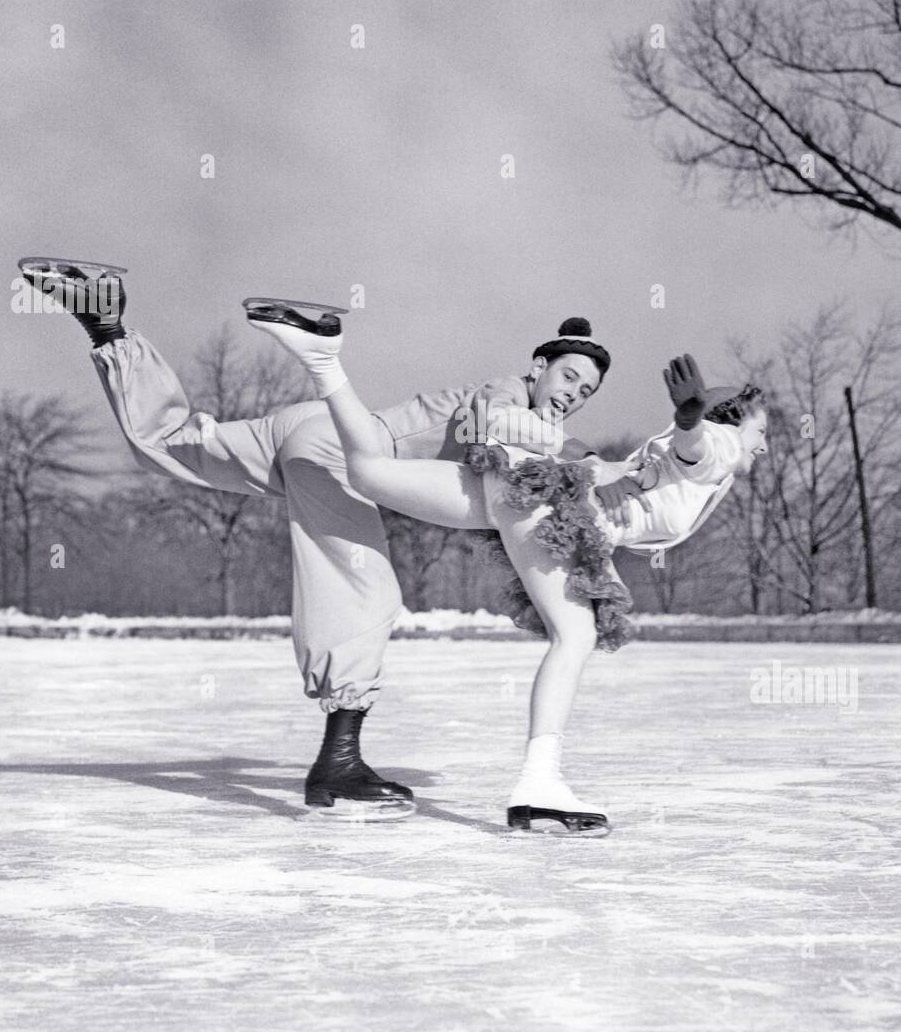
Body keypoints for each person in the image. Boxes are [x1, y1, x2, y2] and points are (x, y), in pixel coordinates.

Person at [16, 258, 611, 819]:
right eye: (568, 376)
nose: (572, 394)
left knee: (177, 443)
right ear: (538, 366)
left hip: (305, 429)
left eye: (586, 393)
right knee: (364, 592)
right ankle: (339, 764)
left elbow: (572, 464)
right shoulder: (507, 394)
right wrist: (567, 449)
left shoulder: (542, 428)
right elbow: (493, 422)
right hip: (340, 451)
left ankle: (108, 326)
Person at [248, 313, 769, 836]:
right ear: (729, 418)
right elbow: (696, 452)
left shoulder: (685, 448)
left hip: (515, 484)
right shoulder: (720, 445)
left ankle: (322, 358)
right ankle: (539, 786)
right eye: (761, 431)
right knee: (575, 635)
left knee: (367, 471)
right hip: (546, 503)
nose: (764, 445)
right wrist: (690, 423)